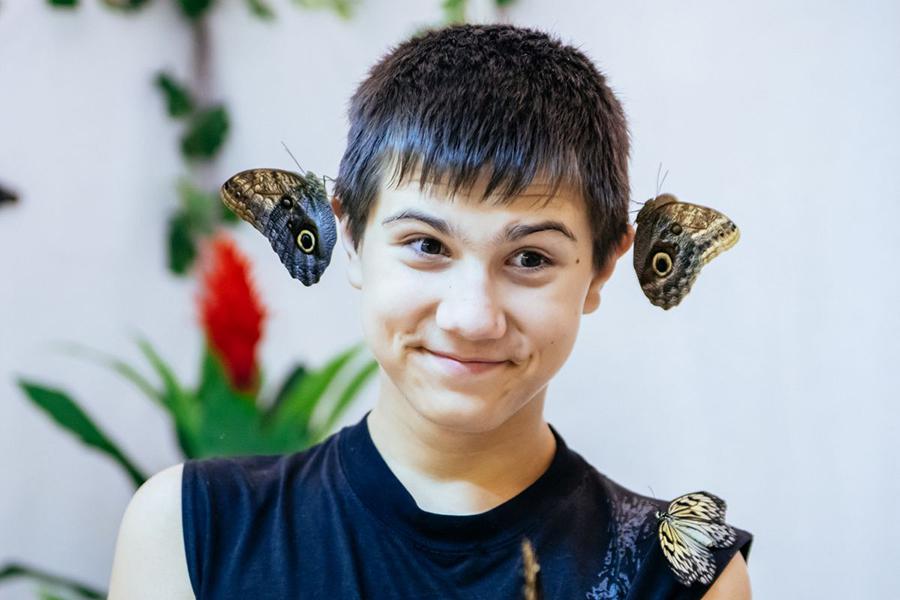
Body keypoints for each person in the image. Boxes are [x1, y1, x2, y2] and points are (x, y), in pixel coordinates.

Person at [108, 23, 752, 599]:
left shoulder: (677, 576)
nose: (471, 318)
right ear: (351, 242)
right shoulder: (191, 531)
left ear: (602, 268)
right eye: (426, 246)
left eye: (530, 258)